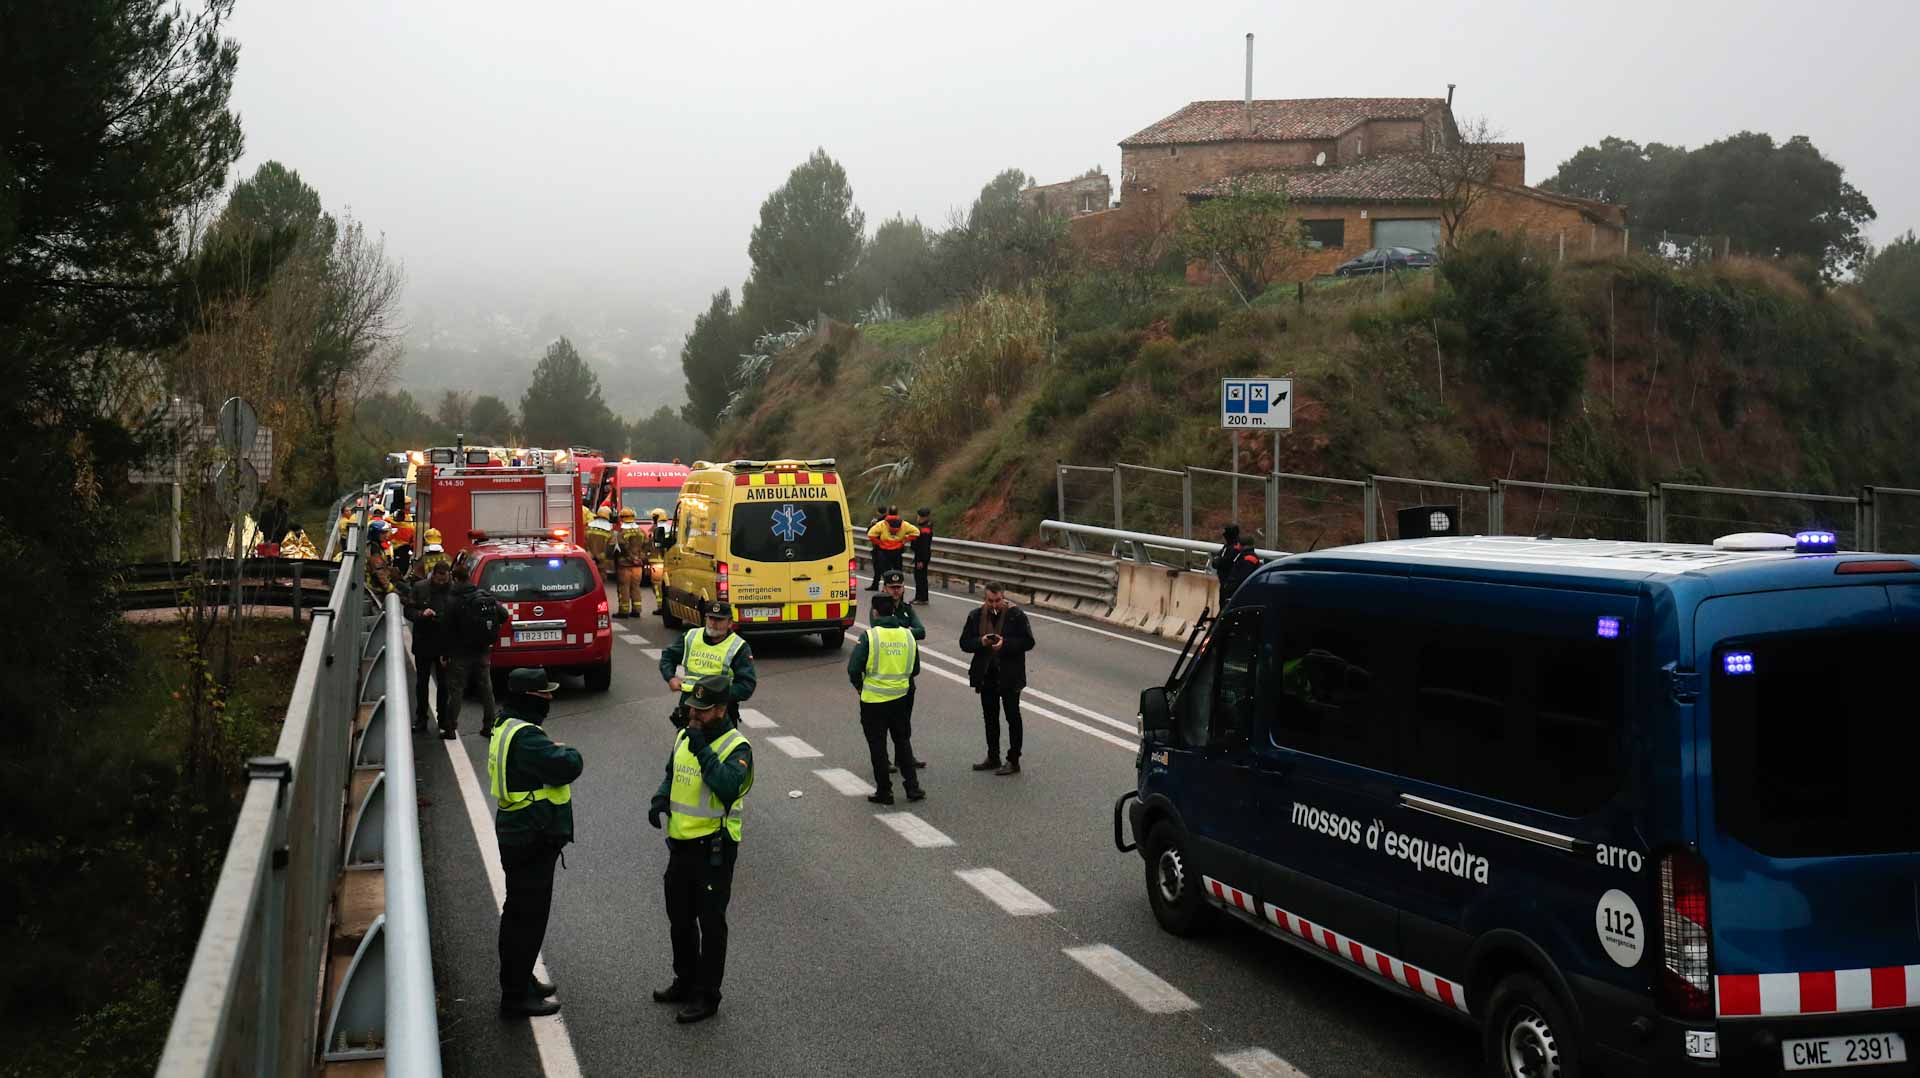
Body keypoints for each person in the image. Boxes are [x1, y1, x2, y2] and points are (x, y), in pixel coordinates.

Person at [648, 673, 754, 1024]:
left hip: (714, 849)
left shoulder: (737, 748)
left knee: (710, 923)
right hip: (680, 845)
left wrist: (701, 747)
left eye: (703, 710)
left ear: (722, 710)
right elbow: (672, 771)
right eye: (692, 707)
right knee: (679, 918)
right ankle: (685, 979)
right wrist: (661, 798)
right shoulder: (685, 735)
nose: (694, 715)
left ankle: (708, 995)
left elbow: (726, 787)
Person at [488, 667, 583, 1019]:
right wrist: (567, 752)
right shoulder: (526, 737)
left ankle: (521, 979)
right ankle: (515, 996)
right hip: (530, 835)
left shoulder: (506, 725)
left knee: (520, 914)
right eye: (545, 695)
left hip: (521, 832)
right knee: (525, 918)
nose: (550, 699)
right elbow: (568, 766)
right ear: (530, 698)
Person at [850, 594, 923, 805]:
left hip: (873, 701)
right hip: (900, 698)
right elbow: (915, 668)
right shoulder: (908, 636)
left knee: (878, 747)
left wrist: (859, 687)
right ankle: (913, 788)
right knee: (903, 742)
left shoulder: (870, 637)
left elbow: (854, 668)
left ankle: (885, 792)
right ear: (893, 611)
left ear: (875, 612)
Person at [958, 582, 1036, 775]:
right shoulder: (975, 615)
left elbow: (1028, 641)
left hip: (1010, 675)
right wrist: (981, 642)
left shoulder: (1016, 615)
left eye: (998, 600)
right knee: (990, 718)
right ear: (985, 599)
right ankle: (993, 756)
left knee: (1012, 717)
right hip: (986, 675)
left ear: (1004, 597)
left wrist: (1005, 644)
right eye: (990, 600)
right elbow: (964, 643)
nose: (994, 604)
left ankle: (1013, 759)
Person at [659, 600, 756, 728]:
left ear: (730, 623)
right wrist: (670, 677)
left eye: (719, 620)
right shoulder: (691, 636)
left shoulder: (739, 647)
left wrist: (718, 696)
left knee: (720, 748)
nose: (713, 623)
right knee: (685, 747)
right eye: (710, 618)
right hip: (690, 706)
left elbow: (746, 685)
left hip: (719, 713)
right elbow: (668, 657)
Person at [443, 554, 501, 739]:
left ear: (455, 578)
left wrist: (445, 653)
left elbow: (446, 627)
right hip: (482, 650)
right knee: (486, 689)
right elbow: (504, 614)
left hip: (460, 653)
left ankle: (451, 728)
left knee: (457, 690)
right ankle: (489, 726)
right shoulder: (482, 595)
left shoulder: (452, 600)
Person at [879, 570, 927, 773]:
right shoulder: (879, 609)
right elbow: (880, 628)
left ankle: (904, 756)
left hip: (907, 673)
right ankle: (884, 759)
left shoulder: (907, 609)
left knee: (905, 719)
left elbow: (921, 631)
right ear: (885, 588)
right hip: (886, 674)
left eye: (899, 588)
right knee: (885, 721)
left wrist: (901, 631)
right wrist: (906, 632)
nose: (896, 592)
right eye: (892, 588)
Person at [403, 559, 454, 731]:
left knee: (444, 684)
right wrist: (421, 614)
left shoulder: (453, 590)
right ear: (433, 576)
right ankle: (421, 718)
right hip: (424, 641)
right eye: (439, 580)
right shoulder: (420, 588)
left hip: (444, 644)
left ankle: (443, 719)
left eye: (444, 580)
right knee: (422, 683)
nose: (441, 583)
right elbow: (408, 610)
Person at [865, 507, 919, 593]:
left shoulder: (881, 523)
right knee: (898, 571)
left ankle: (886, 588)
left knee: (885, 571)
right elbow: (916, 532)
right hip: (897, 551)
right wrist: (904, 540)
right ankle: (900, 589)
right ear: (897, 513)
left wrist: (879, 543)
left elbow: (870, 534)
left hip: (884, 551)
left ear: (888, 513)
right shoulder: (904, 524)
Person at [613, 507, 647, 618]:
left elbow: (623, 547)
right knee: (636, 587)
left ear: (622, 518)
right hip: (638, 566)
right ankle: (637, 610)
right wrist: (640, 558)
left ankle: (624, 611)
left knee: (624, 587)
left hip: (625, 566)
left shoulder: (622, 532)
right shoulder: (641, 531)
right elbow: (646, 545)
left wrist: (631, 558)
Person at [1211, 524, 1261, 598]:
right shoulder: (1232, 549)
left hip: (1235, 590)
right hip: (1230, 586)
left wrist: (1228, 586)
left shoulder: (1246, 558)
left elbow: (1238, 574)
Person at [646, 508, 672, 614]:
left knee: (657, 586)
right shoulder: (670, 528)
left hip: (657, 562)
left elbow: (654, 546)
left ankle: (661, 607)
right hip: (668, 562)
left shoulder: (656, 529)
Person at [910, 507, 935, 604]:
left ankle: (922, 598)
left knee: (920, 577)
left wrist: (921, 560)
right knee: (919, 576)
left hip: (922, 556)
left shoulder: (925, 530)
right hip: (920, 555)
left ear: (922, 517)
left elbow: (923, 546)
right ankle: (918, 597)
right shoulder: (924, 526)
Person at [583, 505, 615, 582]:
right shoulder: (609, 530)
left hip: (588, 557)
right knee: (600, 580)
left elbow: (583, 542)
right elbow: (611, 547)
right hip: (601, 560)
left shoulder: (588, 527)